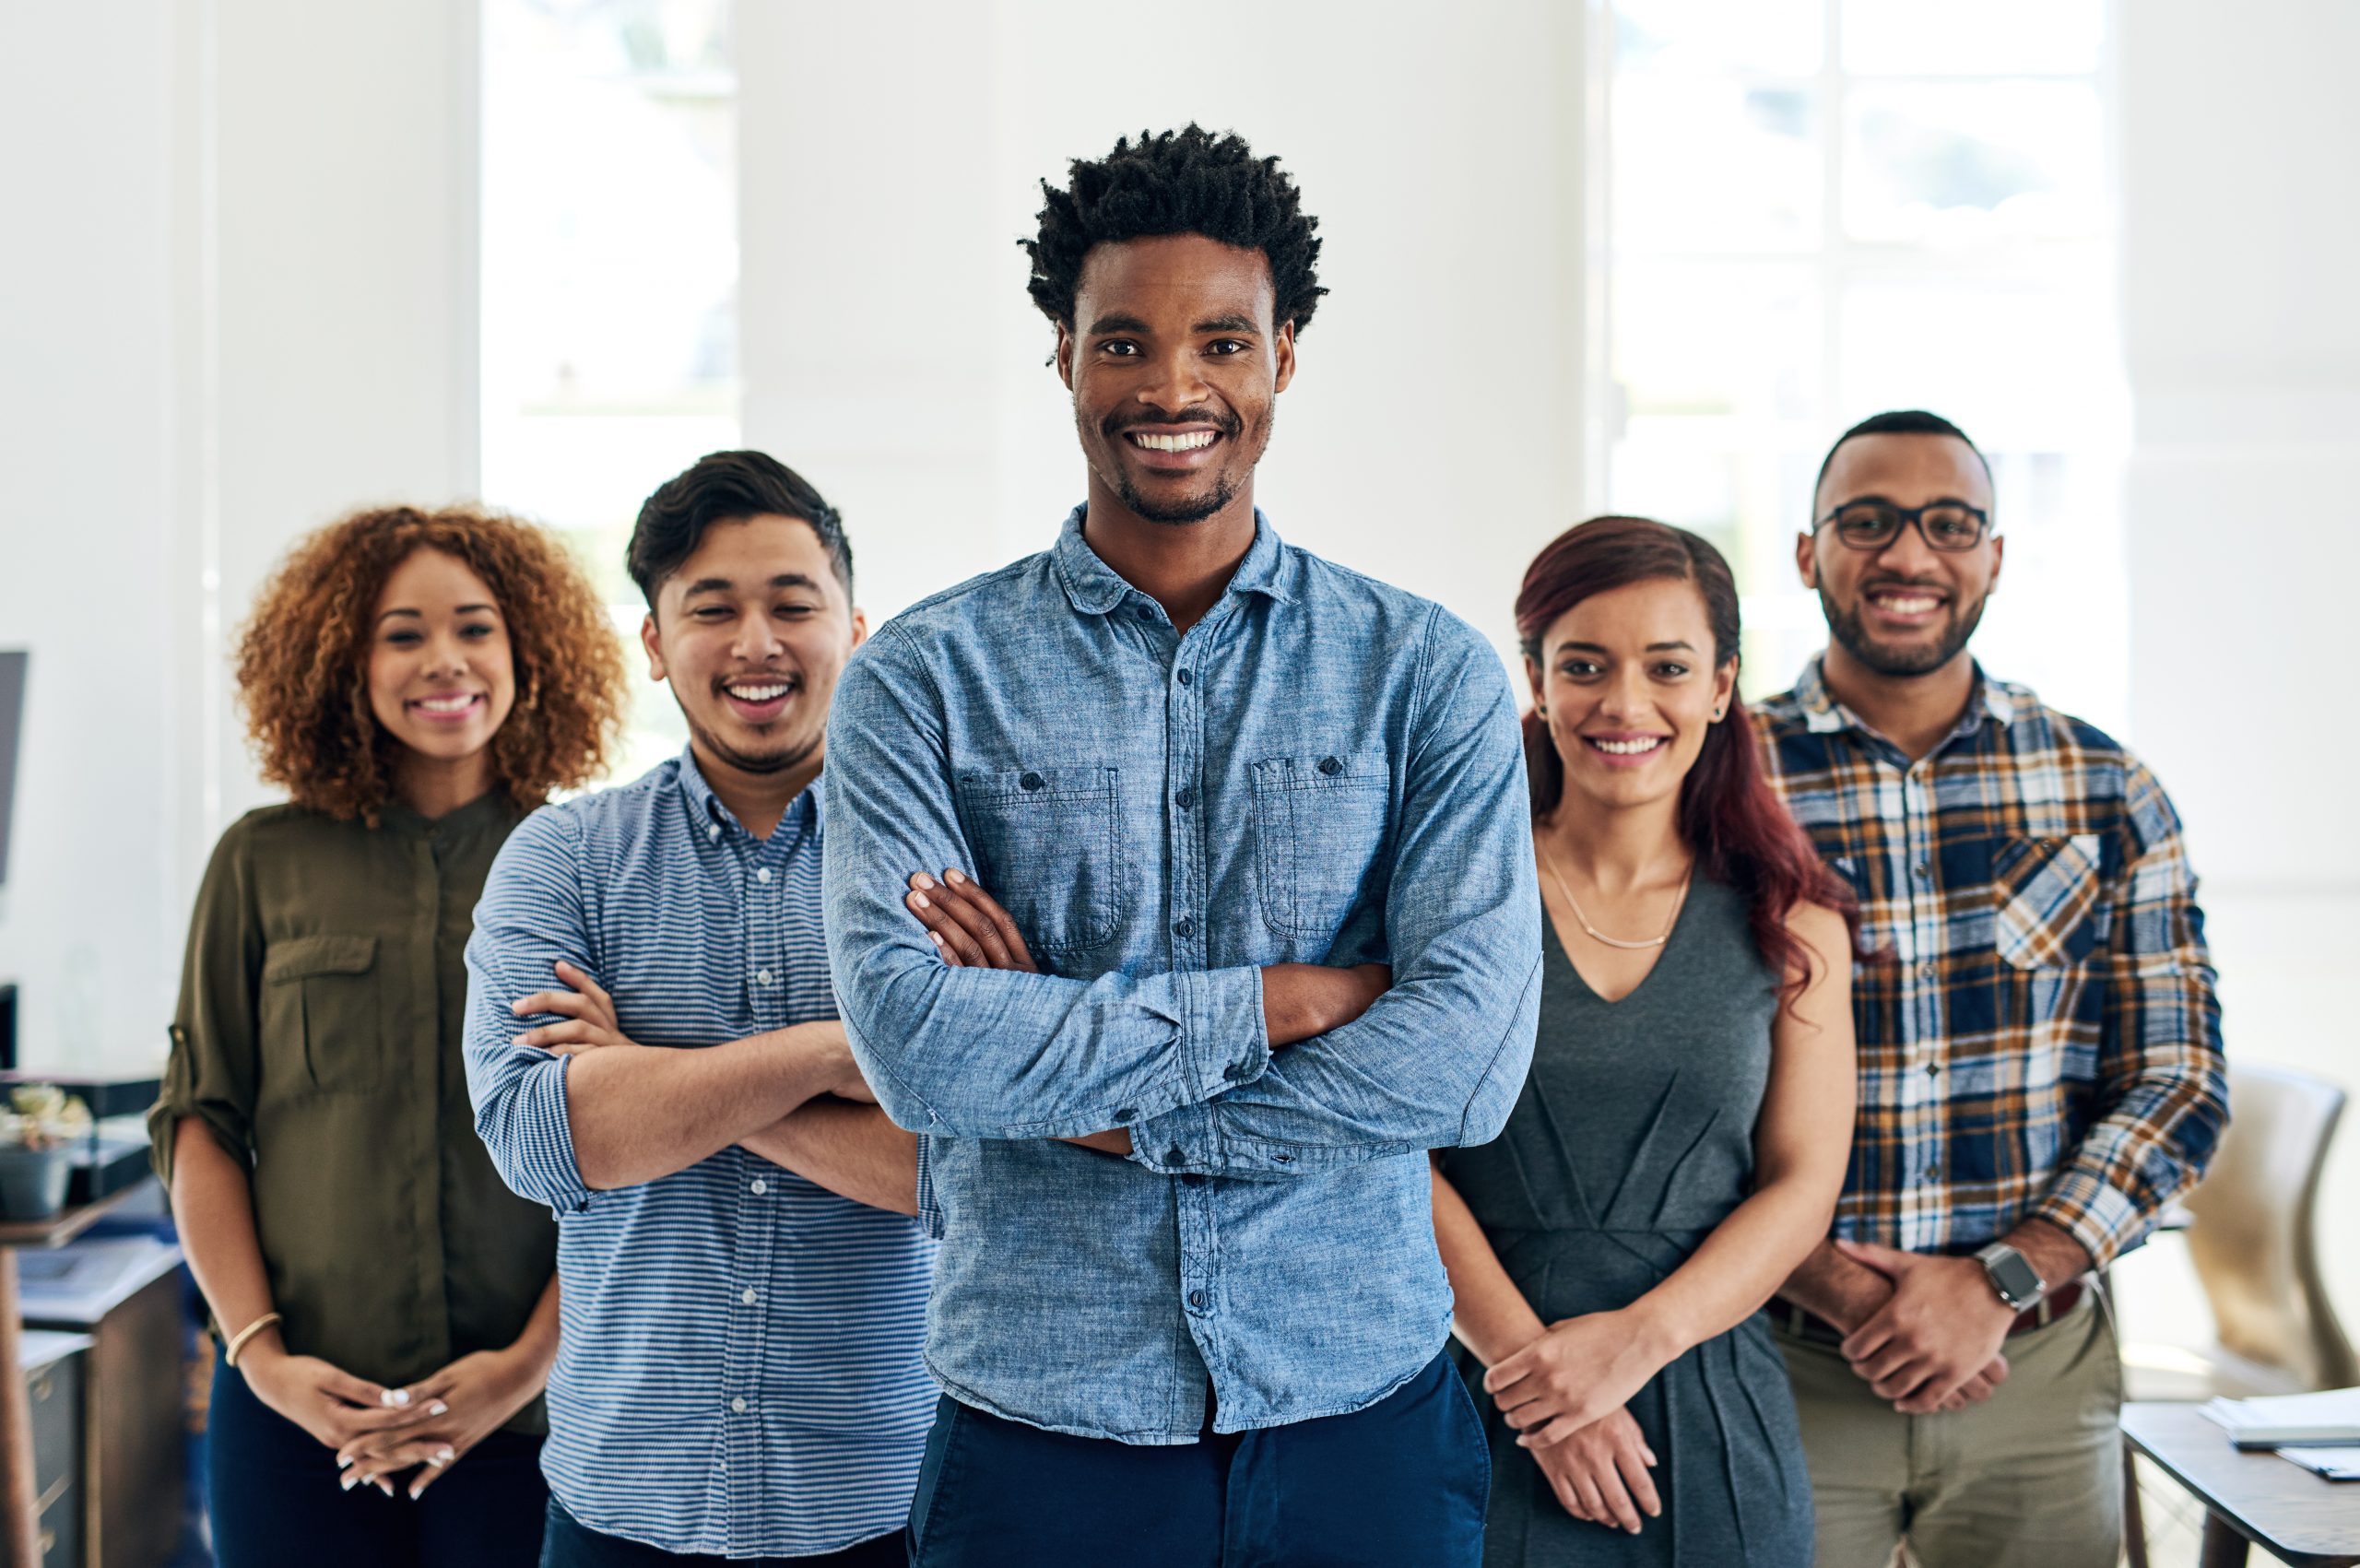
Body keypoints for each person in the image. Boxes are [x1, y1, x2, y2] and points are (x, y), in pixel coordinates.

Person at [820, 125, 1540, 1568]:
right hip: (1039, 1422)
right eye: (1123, 344)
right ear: (1065, 357)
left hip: (1359, 1411)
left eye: (1222, 340)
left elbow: (1464, 1063)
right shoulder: (918, 676)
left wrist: (1079, 1093)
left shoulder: (1426, 674)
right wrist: (1287, 1001)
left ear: (1286, 353)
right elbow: (914, 1048)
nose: (1172, 389)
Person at [1756, 410, 2229, 1567]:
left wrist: (2002, 1278)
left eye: (1949, 524)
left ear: (1995, 558)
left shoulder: (2102, 784)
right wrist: (1824, 1279)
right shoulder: (1723, 778)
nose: (1908, 556)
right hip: (1781, 1363)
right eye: (1864, 522)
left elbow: (2178, 1077)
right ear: (1808, 553)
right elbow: (1663, 1075)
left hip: (2036, 1372)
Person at [463, 451, 930, 1567]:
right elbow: (542, 1139)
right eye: (711, 609)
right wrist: (835, 1051)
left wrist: (647, 1073)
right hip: (624, 1499)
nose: (755, 643)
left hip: (884, 1498)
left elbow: (960, 1166)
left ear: (855, 629)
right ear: (656, 644)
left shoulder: (943, 866)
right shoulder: (563, 860)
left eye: (791, 604)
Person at [151, 504, 627, 1567]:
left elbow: (630, 1150)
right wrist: (262, 1359)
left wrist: (523, 1366)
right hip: (298, 1426)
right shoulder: (260, 863)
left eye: (474, 627)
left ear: (528, 651)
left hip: (534, 1421)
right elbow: (201, 1127)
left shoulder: (590, 865)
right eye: (401, 634)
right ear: (344, 663)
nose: (443, 660)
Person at [1429, 516, 1857, 1566]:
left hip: (1709, 1420)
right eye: (1584, 665)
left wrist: (1636, 1344)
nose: (1623, 705)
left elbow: (1802, 1186)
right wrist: (1537, 1382)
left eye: (1666, 667)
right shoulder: (1447, 894)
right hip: (1479, 1406)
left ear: (1720, 685)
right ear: (1534, 678)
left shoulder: (1794, 923)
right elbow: (1392, 1152)